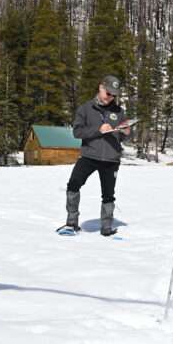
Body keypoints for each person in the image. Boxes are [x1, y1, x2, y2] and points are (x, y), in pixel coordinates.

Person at [60, 75, 132, 236]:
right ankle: (71, 222)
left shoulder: (119, 112)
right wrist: (98, 130)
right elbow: (77, 132)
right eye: (108, 93)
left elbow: (121, 135)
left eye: (114, 95)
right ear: (100, 88)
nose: (110, 97)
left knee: (108, 194)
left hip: (111, 159)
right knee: (73, 185)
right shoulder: (85, 109)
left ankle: (106, 227)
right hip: (88, 156)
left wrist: (126, 132)